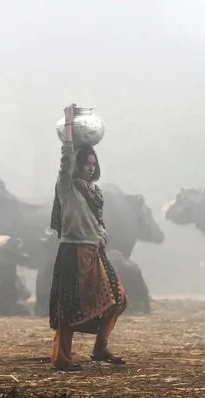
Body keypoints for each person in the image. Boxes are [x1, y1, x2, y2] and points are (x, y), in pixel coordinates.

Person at [48, 103, 128, 371]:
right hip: (73, 250)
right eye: (86, 164)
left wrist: (102, 235)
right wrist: (69, 126)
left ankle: (100, 348)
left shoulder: (95, 191)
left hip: (95, 251)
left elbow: (99, 221)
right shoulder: (67, 186)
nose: (90, 168)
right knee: (69, 307)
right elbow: (67, 157)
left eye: (93, 164)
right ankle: (62, 358)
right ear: (77, 166)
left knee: (118, 299)